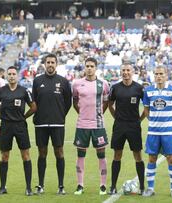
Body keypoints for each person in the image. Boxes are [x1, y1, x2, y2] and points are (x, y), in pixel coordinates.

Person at [0, 66, 37, 196]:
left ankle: (28, 188)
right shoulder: (1, 91)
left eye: (13, 74)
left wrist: (24, 117)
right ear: (6, 76)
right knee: (4, 156)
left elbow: (34, 107)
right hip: (6, 126)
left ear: (17, 76)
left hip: (20, 126)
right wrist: (1, 116)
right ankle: (2, 187)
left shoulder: (24, 91)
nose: (11, 76)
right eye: (9, 74)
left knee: (25, 155)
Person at [32, 53, 72, 195]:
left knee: (59, 152)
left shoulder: (63, 82)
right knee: (42, 153)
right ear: (44, 64)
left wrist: (60, 115)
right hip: (41, 124)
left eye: (52, 62)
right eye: (48, 62)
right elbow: (34, 102)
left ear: (56, 64)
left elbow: (68, 102)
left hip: (58, 124)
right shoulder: (37, 81)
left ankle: (61, 186)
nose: (50, 65)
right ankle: (40, 185)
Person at [141, 65, 172, 197]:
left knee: (171, 158)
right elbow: (146, 109)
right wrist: (151, 120)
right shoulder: (148, 91)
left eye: (161, 74)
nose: (159, 76)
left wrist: (171, 122)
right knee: (152, 158)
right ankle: (150, 188)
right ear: (154, 75)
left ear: (166, 75)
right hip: (153, 131)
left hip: (168, 131)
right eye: (156, 74)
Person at [72, 57, 110, 195]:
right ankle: (80, 185)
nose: (89, 68)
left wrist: (99, 114)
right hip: (82, 125)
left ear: (96, 68)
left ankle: (103, 185)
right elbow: (75, 101)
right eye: (87, 66)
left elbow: (106, 102)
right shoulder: (76, 84)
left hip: (98, 125)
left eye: (91, 66)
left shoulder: (103, 84)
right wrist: (82, 113)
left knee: (101, 155)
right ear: (84, 67)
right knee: (80, 155)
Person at [108, 63, 145, 195]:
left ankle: (142, 187)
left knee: (138, 155)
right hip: (119, 125)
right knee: (117, 154)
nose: (125, 72)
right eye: (123, 70)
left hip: (134, 126)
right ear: (120, 72)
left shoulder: (139, 88)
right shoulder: (115, 88)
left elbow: (146, 108)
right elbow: (110, 104)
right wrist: (116, 117)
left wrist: (139, 120)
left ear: (132, 71)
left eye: (128, 70)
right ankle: (112, 186)